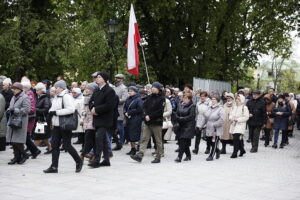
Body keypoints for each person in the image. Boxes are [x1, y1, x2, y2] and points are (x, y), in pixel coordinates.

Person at [43, 80, 83, 173]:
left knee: (67, 145)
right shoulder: (56, 97)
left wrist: (56, 112)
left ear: (61, 88)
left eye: (56, 87)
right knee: (54, 146)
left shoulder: (66, 96)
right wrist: (50, 113)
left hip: (65, 125)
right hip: (56, 125)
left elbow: (71, 109)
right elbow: (53, 109)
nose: (55, 89)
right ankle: (54, 167)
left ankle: (78, 161)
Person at [130, 82, 165, 164]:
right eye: (152, 87)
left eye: (154, 87)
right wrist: (145, 115)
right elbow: (144, 107)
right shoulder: (149, 97)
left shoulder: (162, 98)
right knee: (144, 139)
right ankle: (140, 155)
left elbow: (160, 111)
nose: (152, 89)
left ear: (158, 89)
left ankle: (158, 156)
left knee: (158, 140)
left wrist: (150, 116)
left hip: (156, 122)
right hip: (147, 122)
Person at [88, 72, 116, 168]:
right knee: (103, 139)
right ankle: (106, 160)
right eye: (96, 77)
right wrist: (92, 108)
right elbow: (91, 101)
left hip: (105, 119)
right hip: (97, 118)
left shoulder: (109, 91)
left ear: (104, 79)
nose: (97, 78)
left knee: (98, 138)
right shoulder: (96, 90)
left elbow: (109, 105)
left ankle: (96, 160)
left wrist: (97, 109)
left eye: (99, 77)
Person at [6, 82, 31, 164]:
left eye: (15, 89)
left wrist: (15, 110)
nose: (13, 90)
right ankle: (16, 157)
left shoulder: (25, 97)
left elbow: (27, 110)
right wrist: (9, 110)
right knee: (13, 140)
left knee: (18, 141)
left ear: (20, 90)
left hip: (20, 122)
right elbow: (11, 106)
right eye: (13, 88)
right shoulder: (13, 97)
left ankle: (24, 155)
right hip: (12, 120)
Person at [201, 94, 225, 161]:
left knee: (214, 142)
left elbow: (222, 119)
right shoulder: (210, 107)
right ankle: (218, 151)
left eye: (214, 99)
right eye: (212, 99)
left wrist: (215, 125)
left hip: (216, 129)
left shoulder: (221, 108)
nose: (212, 100)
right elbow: (206, 117)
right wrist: (201, 125)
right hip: (208, 127)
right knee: (209, 141)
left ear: (217, 100)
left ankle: (211, 155)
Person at [21, 81, 41, 159]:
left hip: (29, 118)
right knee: (26, 136)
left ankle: (35, 150)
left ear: (25, 88)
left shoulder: (29, 95)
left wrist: (24, 111)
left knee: (26, 136)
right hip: (28, 117)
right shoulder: (28, 94)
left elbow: (32, 108)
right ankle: (35, 151)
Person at [174, 92, 196, 162]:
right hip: (180, 126)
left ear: (189, 99)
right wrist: (177, 118)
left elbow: (191, 116)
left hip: (188, 126)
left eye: (186, 98)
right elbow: (176, 113)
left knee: (183, 141)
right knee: (182, 142)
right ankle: (188, 155)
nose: (184, 99)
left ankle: (179, 157)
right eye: (183, 97)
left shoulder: (192, 106)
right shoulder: (180, 104)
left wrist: (181, 119)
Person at [33, 83, 52, 154]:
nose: (36, 91)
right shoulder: (40, 98)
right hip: (40, 119)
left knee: (38, 135)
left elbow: (46, 109)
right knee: (44, 136)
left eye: (37, 90)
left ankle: (33, 149)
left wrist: (36, 109)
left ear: (41, 91)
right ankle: (50, 148)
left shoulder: (46, 99)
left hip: (43, 120)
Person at [124, 86, 143, 156]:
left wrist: (129, 112)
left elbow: (139, 109)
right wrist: (125, 112)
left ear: (135, 91)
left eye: (131, 91)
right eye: (129, 91)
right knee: (129, 134)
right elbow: (125, 107)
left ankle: (136, 148)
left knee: (134, 134)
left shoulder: (138, 99)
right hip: (129, 118)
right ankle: (132, 148)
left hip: (136, 119)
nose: (129, 92)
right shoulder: (128, 98)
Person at [81, 83, 97, 163]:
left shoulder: (95, 98)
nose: (86, 90)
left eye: (88, 89)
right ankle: (93, 155)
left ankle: (82, 155)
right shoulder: (86, 98)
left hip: (93, 121)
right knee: (92, 140)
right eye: (86, 88)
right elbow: (83, 109)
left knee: (88, 139)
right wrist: (83, 113)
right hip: (86, 120)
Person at [113, 74, 128, 150]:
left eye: (118, 78)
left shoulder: (124, 88)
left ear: (122, 79)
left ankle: (121, 141)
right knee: (114, 126)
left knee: (120, 126)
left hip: (120, 109)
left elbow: (124, 99)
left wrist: (114, 101)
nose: (116, 79)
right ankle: (116, 140)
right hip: (113, 109)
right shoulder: (114, 87)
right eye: (116, 78)